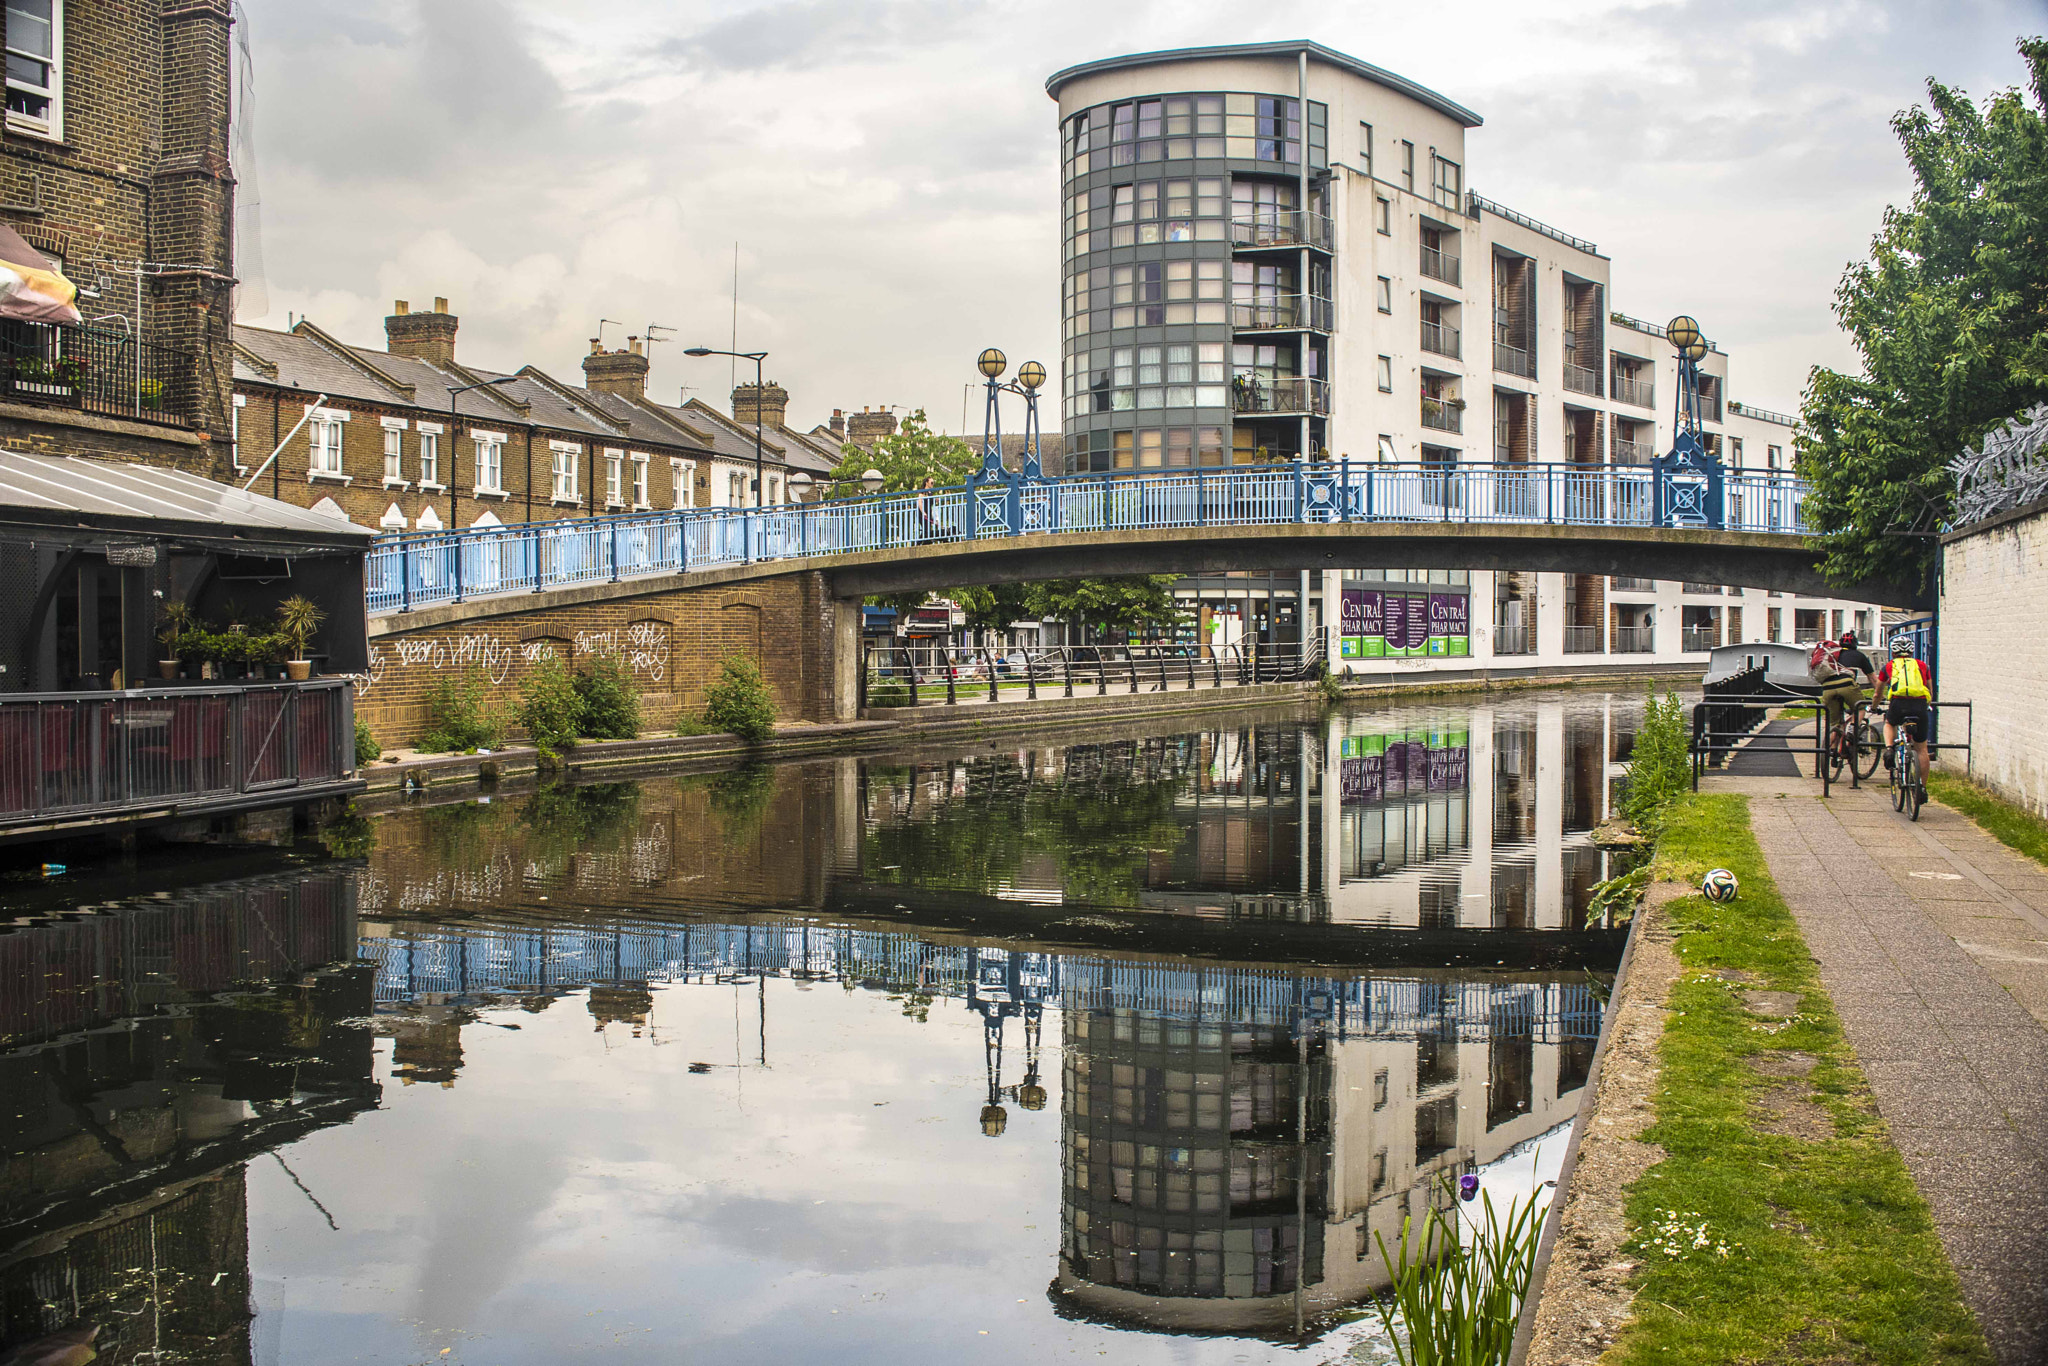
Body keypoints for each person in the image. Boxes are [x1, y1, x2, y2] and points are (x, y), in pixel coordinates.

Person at [1877, 637, 1935, 786]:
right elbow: (1929, 689)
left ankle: (1889, 748)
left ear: (1893, 652)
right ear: (1911, 651)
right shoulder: (1922, 666)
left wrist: (1874, 705)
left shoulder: (1888, 667)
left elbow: (1878, 692)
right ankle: (1922, 788)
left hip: (1898, 703)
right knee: (1922, 749)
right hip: (1920, 704)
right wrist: (1926, 704)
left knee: (1890, 723)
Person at [1809, 635, 1863, 741]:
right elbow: (1874, 680)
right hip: (1846, 685)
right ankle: (1852, 729)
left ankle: (1831, 751)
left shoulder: (1834, 656)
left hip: (1827, 688)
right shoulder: (1858, 655)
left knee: (1835, 724)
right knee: (1860, 708)